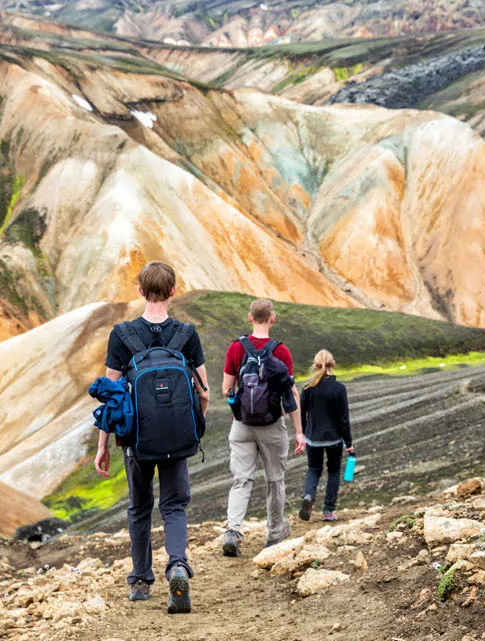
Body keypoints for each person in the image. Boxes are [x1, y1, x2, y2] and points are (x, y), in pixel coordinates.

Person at [94, 261, 209, 613]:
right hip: (177, 440)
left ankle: (141, 580)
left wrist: (103, 445)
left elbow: (112, 395)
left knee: (139, 508)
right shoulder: (187, 334)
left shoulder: (122, 335)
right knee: (174, 505)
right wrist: (192, 428)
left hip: (136, 442)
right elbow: (204, 394)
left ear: (141, 291)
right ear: (173, 291)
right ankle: (177, 565)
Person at [220, 298, 304, 556]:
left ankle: (233, 531)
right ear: (272, 318)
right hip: (272, 425)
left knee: (241, 479)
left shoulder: (236, 348)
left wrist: (240, 407)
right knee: (275, 480)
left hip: (242, 425)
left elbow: (226, 389)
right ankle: (274, 533)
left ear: (249, 318)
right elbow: (291, 395)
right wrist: (299, 431)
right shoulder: (281, 351)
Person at [299, 350, 354, 522]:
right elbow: (344, 419)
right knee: (334, 471)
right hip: (334, 438)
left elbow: (302, 413)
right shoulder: (339, 388)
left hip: (312, 437)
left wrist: (303, 432)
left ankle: (308, 497)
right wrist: (349, 443)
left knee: (314, 469)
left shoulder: (308, 387)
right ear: (333, 364)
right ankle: (328, 511)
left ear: (315, 365)